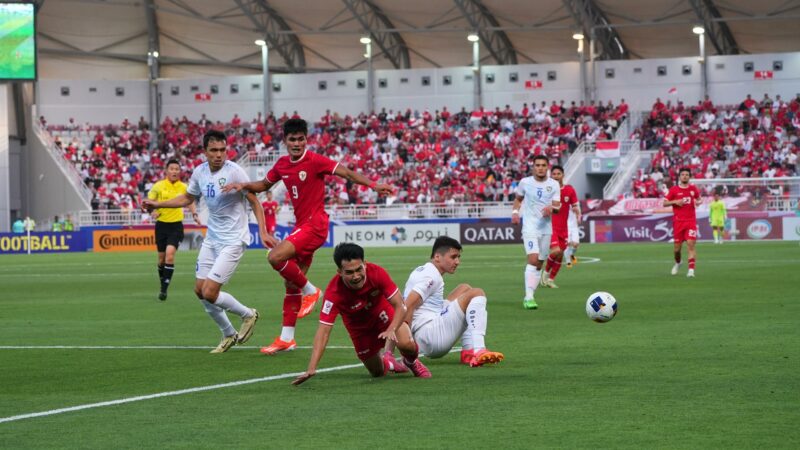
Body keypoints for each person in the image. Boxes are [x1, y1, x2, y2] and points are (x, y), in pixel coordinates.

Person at [222, 118, 393, 355]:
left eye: (301, 139)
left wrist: (373, 185)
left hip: (315, 225)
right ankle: (286, 338)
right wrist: (242, 185)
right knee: (290, 282)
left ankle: (312, 291)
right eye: (292, 139)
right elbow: (263, 184)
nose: (297, 143)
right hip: (302, 226)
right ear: (285, 141)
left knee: (274, 257)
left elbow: (346, 173)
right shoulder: (282, 165)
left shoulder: (315, 160)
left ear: (306, 140)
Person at [142, 130, 265, 353]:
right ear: (205, 152)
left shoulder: (235, 172)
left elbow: (255, 202)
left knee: (210, 292)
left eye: (223, 150)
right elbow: (188, 198)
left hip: (234, 240)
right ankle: (228, 333)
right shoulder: (199, 172)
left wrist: (264, 232)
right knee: (199, 291)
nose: (219, 155)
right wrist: (157, 204)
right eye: (214, 150)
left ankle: (249, 314)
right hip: (213, 238)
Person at [292, 243, 431, 386]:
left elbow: (400, 306)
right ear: (339, 272)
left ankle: (411, 361)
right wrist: (311, 368)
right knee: (377, 372)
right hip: (359, 329)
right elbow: (323, 332)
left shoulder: (376, 273)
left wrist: (392, 329)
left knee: (406, 343)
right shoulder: (333, 293)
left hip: (382, 314)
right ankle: (390, 364)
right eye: (349, 272)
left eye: (359, 269)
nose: (356, 276)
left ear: (365, 264)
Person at [391, 236, 504, 367]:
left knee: (464, 289)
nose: (457, 262)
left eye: (458, 257)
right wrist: (408, 349)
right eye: (453, 257)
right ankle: (479, 350)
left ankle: (468, 352)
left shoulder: (423, 269)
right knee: (476, 293)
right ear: (437, 257)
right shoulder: (431, 277)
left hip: (427, 327)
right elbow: (407, 306)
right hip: (430, 336)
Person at [511, 155, 561, 309]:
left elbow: (558, 207)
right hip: (530, 227)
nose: (540, 168)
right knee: (533, 260)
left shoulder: (554, 185)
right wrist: (515, 212)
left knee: (539, 263)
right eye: (537, 165)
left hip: (545, 229)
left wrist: (551, 208)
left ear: (547, 167)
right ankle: (528, 297)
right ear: (533, 167)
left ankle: (531, 293)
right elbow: (518, 199)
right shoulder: (525, 182)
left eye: (543, 165)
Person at [147, 159, 201, 300]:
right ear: (166, 170)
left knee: (170, 255)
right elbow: (148, 203)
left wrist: (194, 214)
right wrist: (152, 212)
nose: (175, 171)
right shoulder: (158, 186)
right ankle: (162, 283)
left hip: (176, 226)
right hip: (161, 226)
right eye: (172, 168)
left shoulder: (184, 187)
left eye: (177, 169)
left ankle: (164, 290)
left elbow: (190, 201)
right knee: (161, 259)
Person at [541, 165, 580, 288]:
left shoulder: (569, 190)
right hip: (550, 226)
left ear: (563, 175)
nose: (556, 176)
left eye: (558, 174)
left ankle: (551, 280)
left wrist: (576, 211)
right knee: (556, 251)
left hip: (564, 228)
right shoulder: (547, 191)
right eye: (554, 174)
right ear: (551, 176)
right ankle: (545, 274)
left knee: (560, 254)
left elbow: (574, 205)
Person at [663, 168, 701, 278]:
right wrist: (675, 201)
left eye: (687, 175)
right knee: (676, 249)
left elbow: (700, 199)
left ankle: (691, 271)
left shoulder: (693, 188)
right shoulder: (674, 190)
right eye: (683, 174)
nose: (685, 176)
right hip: (678, 223)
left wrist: (698, 202)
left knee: (690, 244)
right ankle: (678, 263)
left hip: (690, 222)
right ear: (679, 177)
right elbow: (664, 203)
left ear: (689, 177)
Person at [565, 202, 581, 268]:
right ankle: (568, 261)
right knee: (567, 244)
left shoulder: (576, 202)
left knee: (576, 244)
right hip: (566, 226)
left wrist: (579, 218)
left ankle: (571, 254)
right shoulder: (563, 201)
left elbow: (579, 212)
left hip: (574, 226)